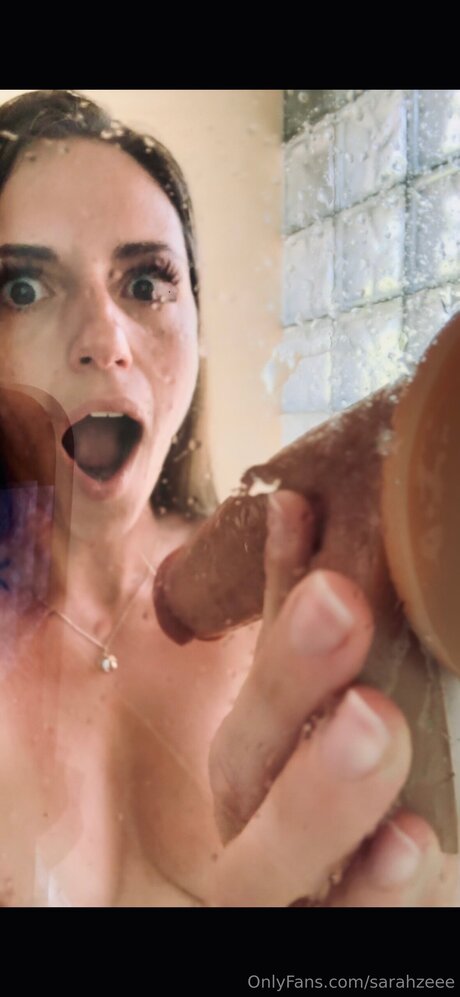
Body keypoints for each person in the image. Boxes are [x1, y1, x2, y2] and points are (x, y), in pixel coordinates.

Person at [0, 89, 456, 908]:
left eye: (146, 282)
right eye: (22, 289)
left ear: (199, 330)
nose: (104, 339)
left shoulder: (292, 599)